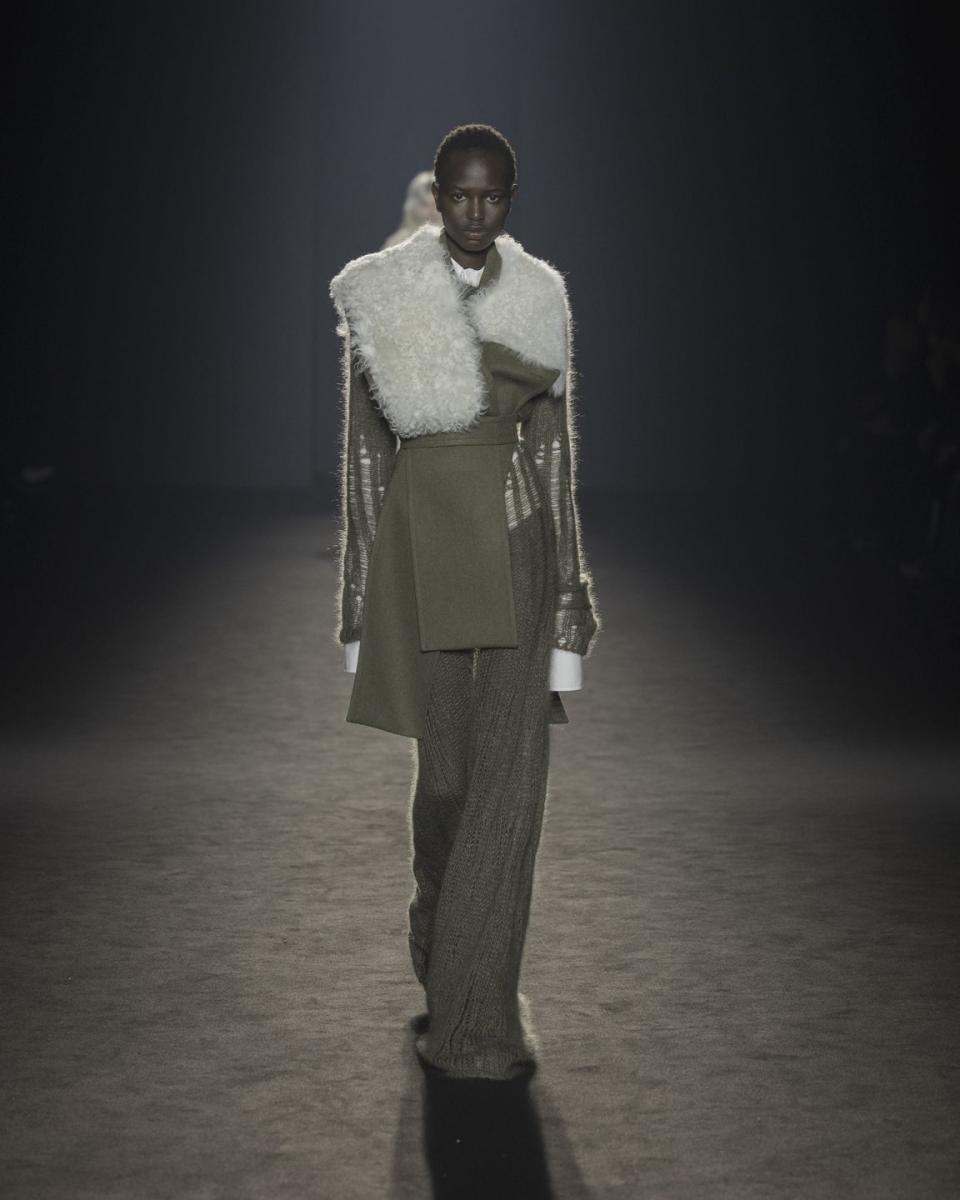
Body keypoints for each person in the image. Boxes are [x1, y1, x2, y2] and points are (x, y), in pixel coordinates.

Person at [329, 123, 600, 1080]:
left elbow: (557, 457)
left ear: (510, 198)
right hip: (421, 555)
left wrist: (569, 613)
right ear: (438, 196)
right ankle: (440, 935)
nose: (478, 213)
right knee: (446, 783)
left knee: (509, 793)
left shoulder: (541, 297)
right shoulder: (383, 294)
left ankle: (476, 1022)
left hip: (520, 546)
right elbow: (363, 461)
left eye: (495, 197)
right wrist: (360, 611)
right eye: (462, 197)